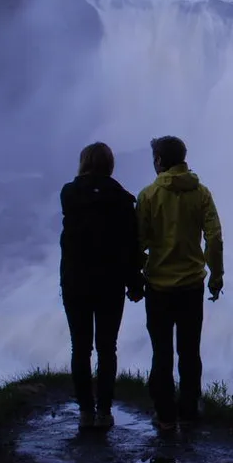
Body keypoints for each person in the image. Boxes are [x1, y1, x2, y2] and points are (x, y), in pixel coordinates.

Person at [136, 135, 223, 431]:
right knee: (189, 349)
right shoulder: (201, 194)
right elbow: (214, 237)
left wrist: (136, 275)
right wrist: (216, 276)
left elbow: (139, 241)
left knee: (161, 351)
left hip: (159, 286)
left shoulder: (148, 196)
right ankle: (189, 409)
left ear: (160, 160)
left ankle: (164, 415)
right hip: (191, 285)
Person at [60, 142, 144, 431]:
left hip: (76, 281)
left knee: (80, 348)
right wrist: (135, 284)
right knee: (107, 348)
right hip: (110, 283)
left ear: (83, 163)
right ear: (110, 165)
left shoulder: (69, 194)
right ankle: (105, 411)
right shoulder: (123, 200)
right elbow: (130, 246)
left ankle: (85, 411)